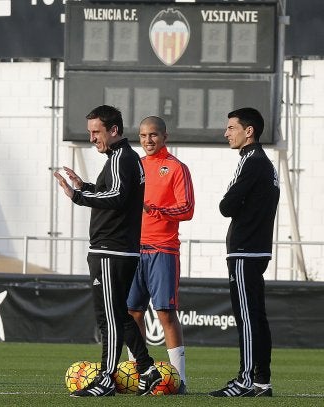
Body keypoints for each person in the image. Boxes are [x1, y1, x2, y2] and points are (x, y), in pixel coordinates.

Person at [54, 105, 161, 397]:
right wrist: (86, 185)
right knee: (120, 316)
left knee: (108, 319)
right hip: (118, 250)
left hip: (111, 251)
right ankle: (148, 369)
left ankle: (106, 379)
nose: (92, 138)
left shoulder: (121, 157)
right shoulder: (123, 158)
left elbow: (116, 196)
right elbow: (116, 193)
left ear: (113, 131)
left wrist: (78, 195)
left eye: (96, 132)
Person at [209, 107, 279, 397]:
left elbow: (226, 206)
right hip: (255, 249)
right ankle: (261, 381)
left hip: (245, 250)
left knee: (248, 318)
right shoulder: (261, 162)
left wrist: (230, 202)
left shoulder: (253, 162)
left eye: (231, 127)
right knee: (256, 317)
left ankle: (247, 380)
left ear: (248, 131)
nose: (226, 133)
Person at [126, 116, 194, 395]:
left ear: (165, 136)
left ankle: (179, 378)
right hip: (132, 250)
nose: (148, 140)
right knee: (132, 313)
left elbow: (187, 209)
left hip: (163, 249)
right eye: (143, 136)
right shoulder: (135, 167)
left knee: (165, 312)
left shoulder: (177, 168)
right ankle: (139, 376)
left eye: (153, 135)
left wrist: (155, 209)